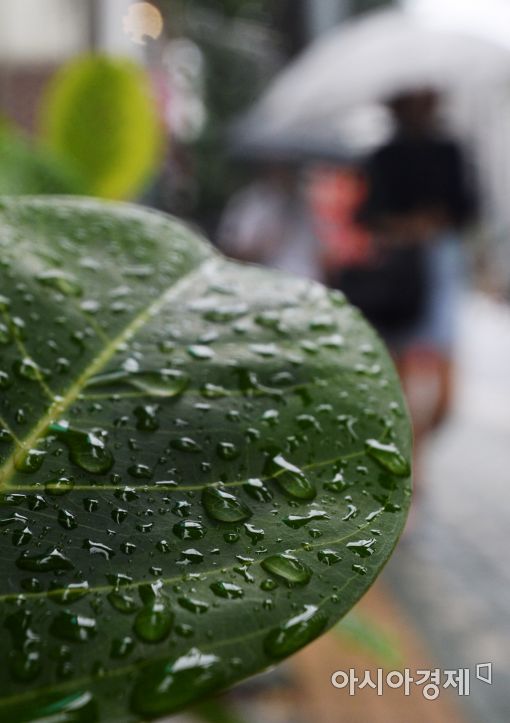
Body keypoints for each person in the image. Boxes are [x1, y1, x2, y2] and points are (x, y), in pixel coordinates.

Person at [329, 89, 478, 483]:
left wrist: (436, 221)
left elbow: (468, 207)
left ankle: (414, 451)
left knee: (444, 394)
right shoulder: (382, 155)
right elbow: (367, 213)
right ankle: (410, 475)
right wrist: (402, 226)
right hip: (398, 272)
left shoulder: (450, 150)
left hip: (441, 263)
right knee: (401, 382)